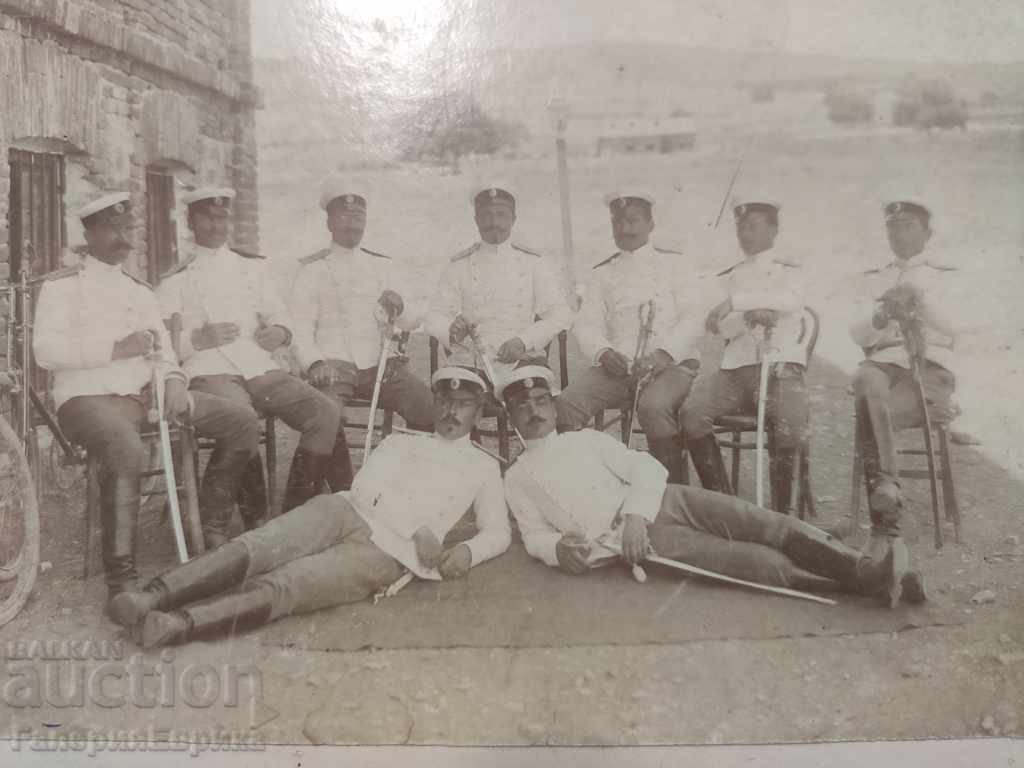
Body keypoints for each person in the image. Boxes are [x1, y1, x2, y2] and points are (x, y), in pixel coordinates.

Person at [108, 367, 511, 648]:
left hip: (389, 554)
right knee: (261, 544)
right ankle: (153, 595)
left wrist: (468, 551)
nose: (451, 412)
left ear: (478, 412)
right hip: (344, 511)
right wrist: (418, 528)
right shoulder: (402, 440)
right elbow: (365, 486)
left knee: (293, 583)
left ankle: (178, 626)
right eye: (444, 401)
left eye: (462, 404)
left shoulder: (484, 465)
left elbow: (498, 531)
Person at [501, 366, 925, 605]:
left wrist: (635, 514)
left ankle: (864, 567)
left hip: (661, 502)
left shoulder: (585, 440)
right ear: (511, 418)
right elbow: (534, 534)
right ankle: (868, 582)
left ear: (555, 407)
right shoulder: (516, 478)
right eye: (523, 407)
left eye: (541, 402)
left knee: (762, 523)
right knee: (747, 562)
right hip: (630, 543)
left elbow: (646, 468)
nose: (534, 413)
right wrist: (557, 551)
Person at [33, 192, 259, 606]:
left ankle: (212, 526)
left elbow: (165, 351)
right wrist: (116, 348)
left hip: (145, 395)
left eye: (129, 229)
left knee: (241, 421)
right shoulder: (61, 287)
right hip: (86, 399)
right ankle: (122, 581)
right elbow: (45, 353)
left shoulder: (139, 290)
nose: (124, 237)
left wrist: (173, 379)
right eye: (114, 229)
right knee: (126, 448)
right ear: (91, 233)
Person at [156, 187, 341, 517]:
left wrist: (280, 332)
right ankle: (253, 518)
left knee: (324, 412)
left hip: (257, 364)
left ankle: (293, 512)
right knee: (242, 421)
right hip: (209, 369)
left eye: (222, 218)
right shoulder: (174, 281)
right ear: (190, 221)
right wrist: (197, 339)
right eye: (207, 218)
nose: (216, 226)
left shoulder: (251, 269)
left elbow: (280, 313)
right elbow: (162, 344)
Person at [290, 183, 434, 491]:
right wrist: (314, 363)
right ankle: (314, 497)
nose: (353, 222)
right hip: (332, 365)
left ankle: (409, 490)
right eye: (345, 215)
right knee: (324, 417)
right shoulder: (311, 270)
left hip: (379, 364)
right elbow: (299, 327)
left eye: (359, 216)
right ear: (329, 222)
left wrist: (402, 304)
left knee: (428, 408)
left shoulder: (382, 266)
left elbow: (410, 320)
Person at [555, 192, 703, 482]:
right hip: (619, 368)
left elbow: (694, 317)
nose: (625, 229)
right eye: (618, 222)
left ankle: (673, 493)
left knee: (654, 407)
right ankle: (590, 485)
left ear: (650, 224)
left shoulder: (676, 266)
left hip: (670, 366)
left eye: (633, 221)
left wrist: (664, 354)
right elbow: (586, 324)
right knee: (565, 405)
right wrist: (604, 352)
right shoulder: (603, 274)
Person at [680, 198, 809, 513]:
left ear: (774, 229)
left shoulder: (791, 269)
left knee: (789, 422)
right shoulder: (729, 274)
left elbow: (791, 301)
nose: (745, 233)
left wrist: (737, 302)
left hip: (781, 368)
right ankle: (724, 503)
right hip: (736, 370)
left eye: (753, 225)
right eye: (740, 226)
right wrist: (749, 316)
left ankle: (782, 515)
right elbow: (720, 327)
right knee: (692, 412)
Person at [849, 196, 960, 560]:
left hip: (928, 370)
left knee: (870, 414)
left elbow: (958, 325)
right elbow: (858, 334)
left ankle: (885, 525)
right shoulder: (876, 276)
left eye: (908, 226)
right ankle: (888, 491)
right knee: (865, 379)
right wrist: (880, 317)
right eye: (892, 227)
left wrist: (919, 301)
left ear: (928, 232)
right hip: (884, 365)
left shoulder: (945, 274)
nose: (899, 234)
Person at [423, 183, 571, 386]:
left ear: (513, 219)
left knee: (535, 412)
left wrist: (524, 341)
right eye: (486, 216)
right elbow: (434, 317)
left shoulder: (534, 263)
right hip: (469, 363)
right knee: (454, 410)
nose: (494, 223)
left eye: (501, 214)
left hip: (523, 360)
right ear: (476, 220)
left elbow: (560, 314)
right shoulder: (459, 265)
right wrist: (451, 330)